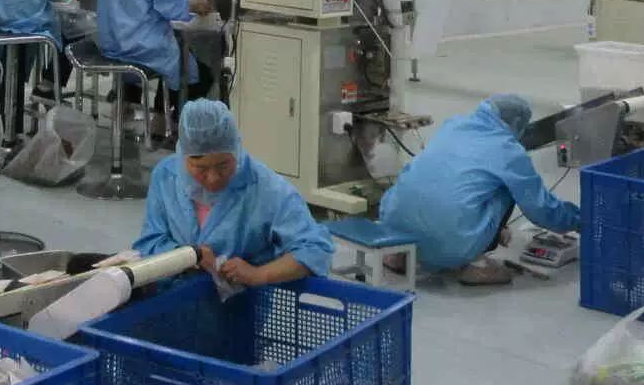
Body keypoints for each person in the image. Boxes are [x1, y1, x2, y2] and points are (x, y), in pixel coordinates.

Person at [380, 93, 582, 286]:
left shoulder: (453, 125)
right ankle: (477, 265)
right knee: (507, 187)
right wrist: (579, 220)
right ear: (516, 123)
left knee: (430, 181)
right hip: (451, 243)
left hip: (394, 226)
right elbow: (539, 208)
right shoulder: (509, 151)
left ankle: (400, 256)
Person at [133, 99, 333, 286]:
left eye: (223, 166)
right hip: (173, 299)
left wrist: (259, 275)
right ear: (183, 156)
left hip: (242, 304)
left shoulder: (265, 188)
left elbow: (315, 249)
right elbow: (149, 242)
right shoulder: (166, 177)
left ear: (236, 150)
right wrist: (189, 256)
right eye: (201, 169)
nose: (213, 178)